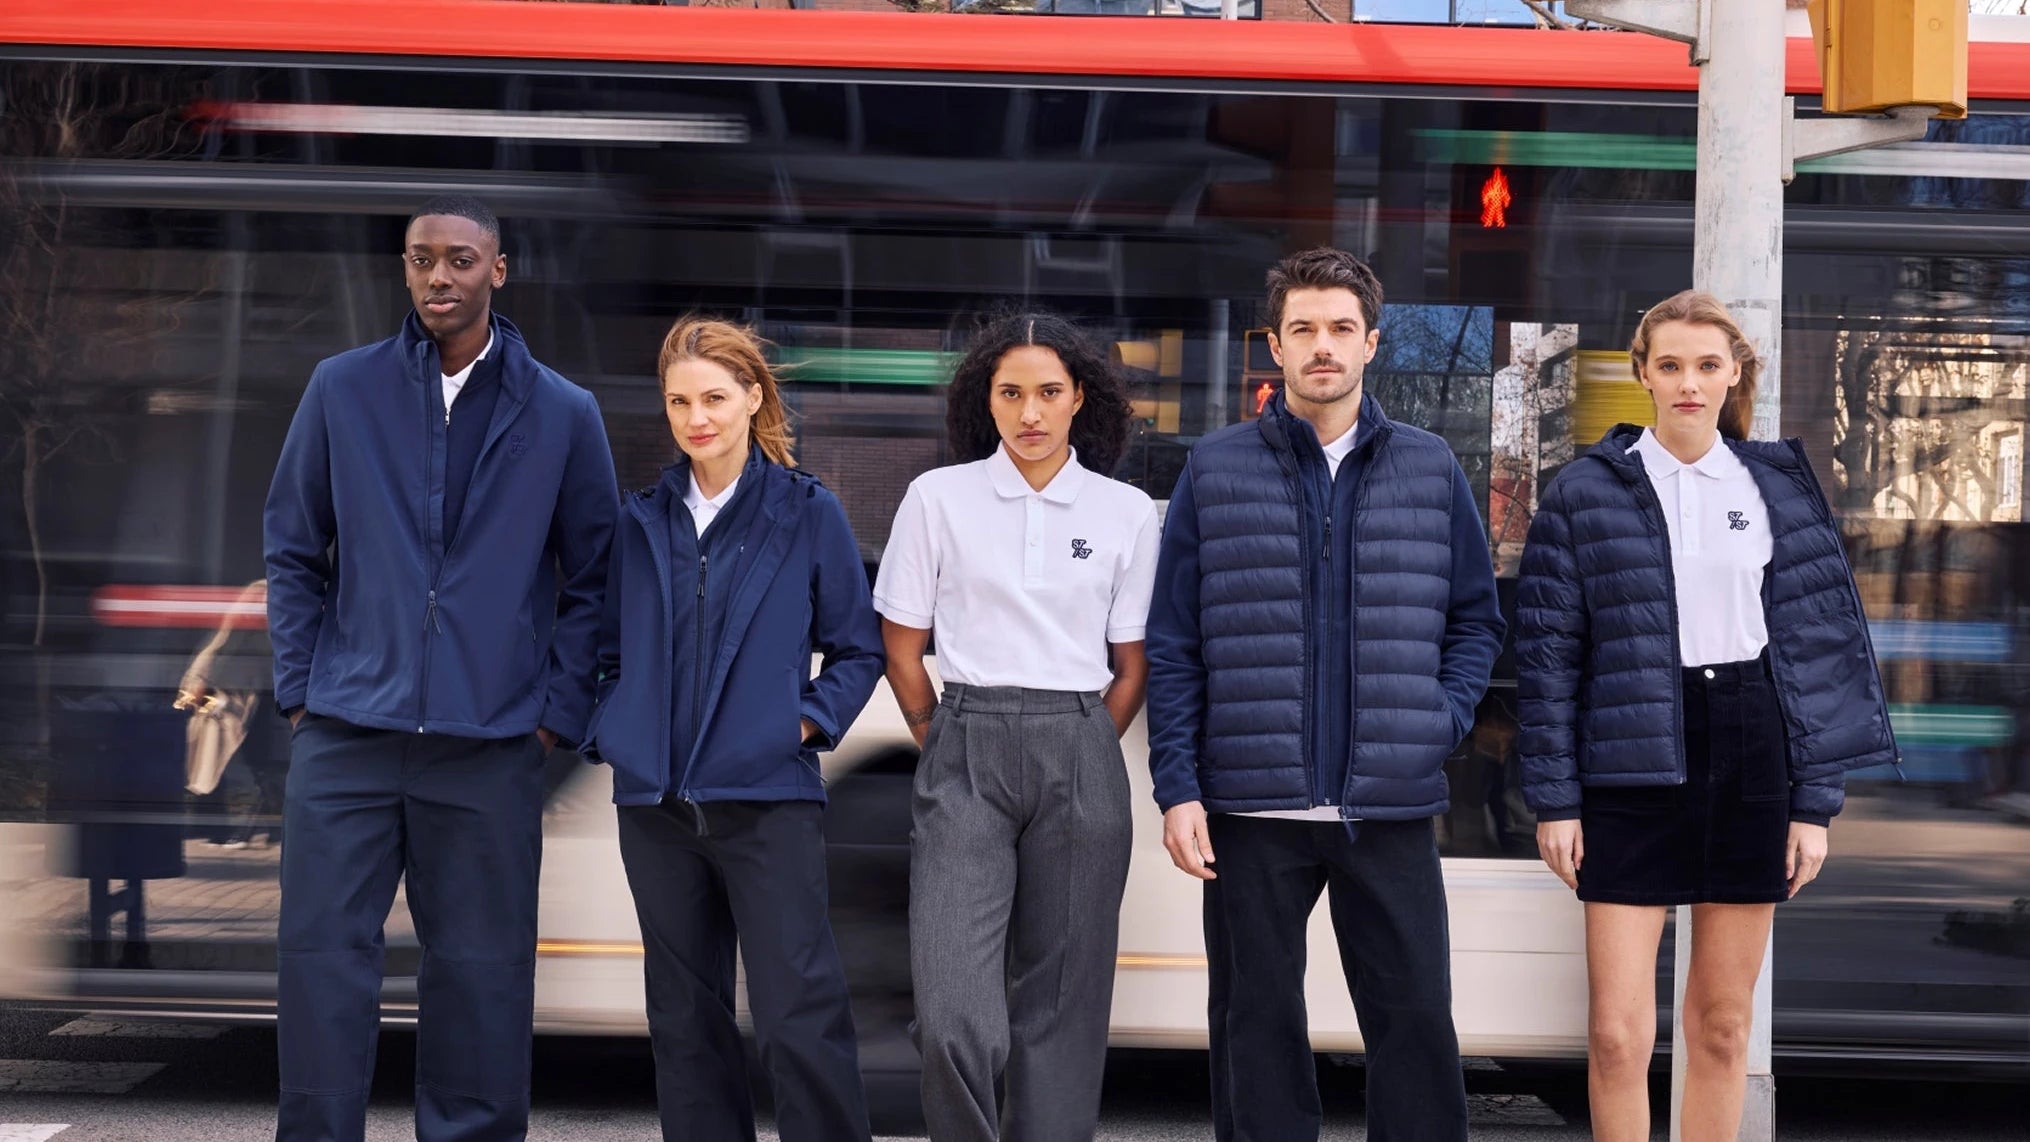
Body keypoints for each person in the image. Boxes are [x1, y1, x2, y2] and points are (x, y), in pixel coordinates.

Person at [263, 195, 618, 1142]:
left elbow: (594, 579)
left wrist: (553, 716)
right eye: (422, 259)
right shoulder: (342, 388)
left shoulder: (563, 414)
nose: (438, 278)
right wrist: (301, 692)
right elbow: (293, 547)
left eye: (460, 260)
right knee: (322, 966)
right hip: (345, 740)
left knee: (481, 975)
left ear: (497, 272)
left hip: (491, 746)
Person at [1515, 290, 1895, 1142]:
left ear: (1733, 375)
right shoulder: (1584, 491)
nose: (1690, 383)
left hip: (1752, 749)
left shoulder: (1779, 489)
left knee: (1723, 1028)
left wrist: (1813, 803)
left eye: (1708, 366)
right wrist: (1556, 800)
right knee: (1616, 1036)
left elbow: (1815, 651)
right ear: (1643, 373)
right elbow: (1545, 657)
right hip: (1626, 752)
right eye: (1673, 365)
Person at [1145, 247, 1505, 1142]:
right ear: (1275, 344)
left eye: (1341, 328)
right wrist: (1179, 784)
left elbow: (1476, 621)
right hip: (1250, 804)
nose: (1323, 347)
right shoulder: (1218, 468)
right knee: (1254, 1026)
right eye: (1302, 329)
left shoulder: (1428, 467)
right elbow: (1177, 639)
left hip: (1387, 803)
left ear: (1372, 342)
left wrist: (1438, 721)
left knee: (1416, 1022)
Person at [579, 316, 885, 1142]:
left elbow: (859, 649)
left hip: (768, 798)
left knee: (798, 1013)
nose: (696, 418)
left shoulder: (806, 511)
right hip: (655, 808)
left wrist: (803, 720)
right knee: (684, 1022)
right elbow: (606, 652)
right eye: (679, 401)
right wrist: (618, 731)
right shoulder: (639, 521)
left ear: (753, 397)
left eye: (714, 397)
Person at [875, 311, 1156, 1142]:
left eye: (1048, 392)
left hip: (1081, 741)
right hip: (964, 739)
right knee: (956, 1007)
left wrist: (1083, 742)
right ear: (985, 403)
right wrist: (943, 734)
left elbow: (1131, 664)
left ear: (1080, 400)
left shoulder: (1126, 512)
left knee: (1063, 1008)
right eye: (1010, 393)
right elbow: (902, 647)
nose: (1030, 412)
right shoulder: (938, 498)